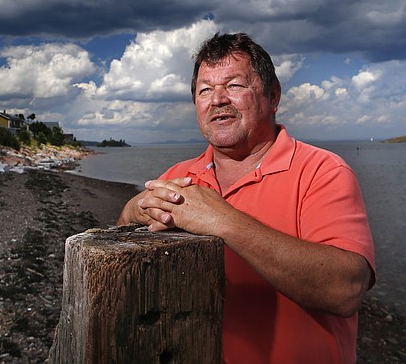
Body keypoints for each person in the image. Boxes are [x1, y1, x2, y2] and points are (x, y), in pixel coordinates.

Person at [117, 32, 376, 364]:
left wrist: (223, 221)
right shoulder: (179, 177)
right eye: (205, 90)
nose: (218, 99)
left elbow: (348, 289)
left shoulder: (322, 171)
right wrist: (129, 213)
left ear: (272, 95)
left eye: (235, 86)